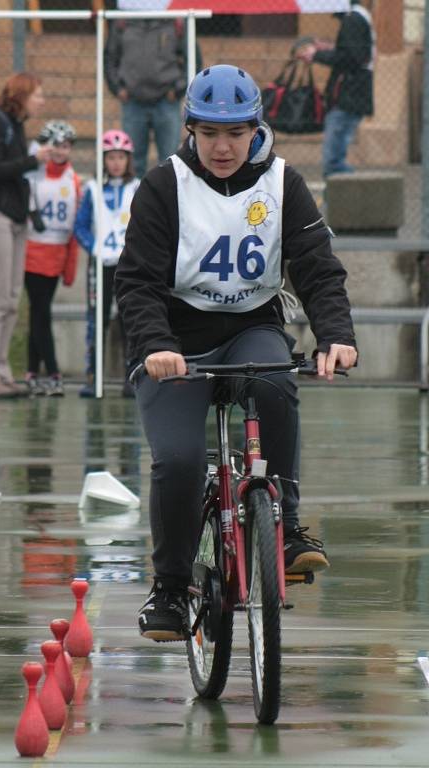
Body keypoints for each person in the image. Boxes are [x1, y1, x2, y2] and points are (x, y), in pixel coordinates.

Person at [114, 64, 358, 642]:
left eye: (236, 132)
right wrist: (155, 347)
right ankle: (170, 588)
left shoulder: (283, 185)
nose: (222, 147)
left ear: (256, 129)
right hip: (175, 343)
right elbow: (137, 281)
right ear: (190, 131)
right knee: (176, 460)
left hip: (250, 326)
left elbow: (318, 270)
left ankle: (288, 527)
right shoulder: (163, 185)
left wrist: (336, 336)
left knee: (276, 387)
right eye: (209, 133)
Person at [0, 72, 50, 398]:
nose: (41, 101)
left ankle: (0, 371)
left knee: (11, 299)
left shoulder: (14, 125)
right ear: (22, 95)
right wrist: (32, 160)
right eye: (37, 95)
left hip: (14, 219)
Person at [74, 129, 140, 399]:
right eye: (110, 157)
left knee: (130, 320)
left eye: (120, 157)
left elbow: (145, 223)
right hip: (100, 263)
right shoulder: (92, 189)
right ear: (103, 159)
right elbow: (80, 226)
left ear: (128, 159)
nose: (115, 163)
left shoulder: (137, 187)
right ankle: (94, 377)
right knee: (96, 320)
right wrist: (93, 247)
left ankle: (132, 377)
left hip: (127, 265)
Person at [24, 120, 82, 397]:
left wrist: (70, 265)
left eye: (66, 146)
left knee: (38, 313)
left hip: (57, 253)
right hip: (34, 251)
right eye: (56, 145)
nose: (60, 151)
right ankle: (53, 372)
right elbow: (26, 201)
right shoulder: (33, 173)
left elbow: (75, 226)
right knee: (40, 312)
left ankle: (32, 372)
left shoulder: (73, 179)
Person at [104, 18, 192, 178]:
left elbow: (192, 57)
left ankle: (168, 201)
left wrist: (177, 89)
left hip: (167, 102)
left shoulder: (176, 21)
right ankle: (133, 201)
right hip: (133, 102)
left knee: (170, 160)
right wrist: (117, 88)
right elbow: (110, 56)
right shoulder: (122, 22)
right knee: (132, 162)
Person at [296, 0, 375, 178]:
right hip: (352, 91)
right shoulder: (358, 16)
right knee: (335, 154)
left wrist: (316, 54)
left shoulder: (352, 19)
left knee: (333, 160)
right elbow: (355, 51)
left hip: (349, 93)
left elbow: (352, 58)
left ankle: (341, 198)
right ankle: (339, 195)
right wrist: (328, 48)